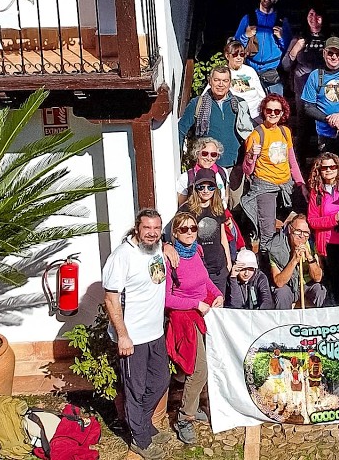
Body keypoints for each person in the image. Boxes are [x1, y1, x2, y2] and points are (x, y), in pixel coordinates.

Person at [102, 209, 172, 460]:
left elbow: (161, 246)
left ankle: (142, 424)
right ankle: (140, 440)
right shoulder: (122, 256)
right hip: (133, 338)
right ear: (136, 229)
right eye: (147, 228)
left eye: (157, 228)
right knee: (135, 388)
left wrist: (168, 246)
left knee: (161, 380)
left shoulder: (156, 246)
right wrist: (122, 335)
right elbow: (110, 298)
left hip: (155, 333)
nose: (152, 233)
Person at [164, 211, 224, 445]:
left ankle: (194, 404)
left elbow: (205, 280)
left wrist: (216, 294)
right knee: (199, 370)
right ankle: (184, 418)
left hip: (203, 313)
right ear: (175, 233)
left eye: (193, 228)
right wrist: (195, 303)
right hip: (184, 319)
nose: (189, 233)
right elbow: (166, 298)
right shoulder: (170, 259)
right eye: (183, 229)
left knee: (206, 364)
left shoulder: (197, 251)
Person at [240, 94, 306, 249]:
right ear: (263, 111)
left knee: (298, 222)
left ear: (283, 113)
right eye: (269, 110)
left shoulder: (285, 132)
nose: (273, 114)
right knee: (267, 231)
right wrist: (251, 155)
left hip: (286, 185)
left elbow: (292, 161)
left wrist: (301, 183)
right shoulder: (256, 134)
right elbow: (247, 170)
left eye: (277, 111)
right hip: (265, 185)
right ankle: (267, 266)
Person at [172, 166, 245, 294]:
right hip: (197, 267)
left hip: (218, 267)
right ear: (196, 188)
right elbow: (175, 235)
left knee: (218, 306)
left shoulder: (218, 208)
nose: (206, 190)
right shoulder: (186, 210)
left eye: (210, 187)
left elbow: (223, 236)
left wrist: (228, 262)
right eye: (201, 187)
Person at [177, 66, 253, 171]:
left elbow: (249, 134)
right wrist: (177, 159)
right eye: (217, 80)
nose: (221, 84)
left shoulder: (240, 104)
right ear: (210, 81)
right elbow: (181, 130)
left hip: (235, 165)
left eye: (225, 81)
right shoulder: (197, 104)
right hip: (207, 165)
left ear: (230, 83)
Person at [306, 153, 339, 305]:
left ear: (338, 167)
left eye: (332, 167)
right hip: (329, 242)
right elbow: (312, 221)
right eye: (324, 167)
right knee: (336, 279)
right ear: (319, 170)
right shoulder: (316, 192)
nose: (328, 170)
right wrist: (333, 219)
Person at [235, 0, 291, 94]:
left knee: (275, 106)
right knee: (247, 103)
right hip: (249, 70)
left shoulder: (282, 21)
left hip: (273, 73)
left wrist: (281, 37)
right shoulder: (248, 18)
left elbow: (289, 49)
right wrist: (246, 35)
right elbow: (236, 46)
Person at [267, 213, 328, 308]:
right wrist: (294, 260)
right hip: (289, 285)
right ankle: (285, 322)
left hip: (307, 285)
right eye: (298, 231)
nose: (302, 236)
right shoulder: (276, 248)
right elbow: (279, 282)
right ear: (290, 229)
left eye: (306, 233)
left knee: (320, 290)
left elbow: (318, 278)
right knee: (281, 293)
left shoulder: (312, 244)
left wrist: (309, 257)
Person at [282, 5, 327, 102]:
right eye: (311, 14)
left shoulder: (331, 39)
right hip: (302, 89)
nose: (314, 18)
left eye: (317, 15)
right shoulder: (299, 38)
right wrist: (294, 50)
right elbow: (285, 65)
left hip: (325, 89)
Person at [175, 137, 230, 207]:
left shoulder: (223, 172)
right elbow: (182, 206)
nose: (209, 158)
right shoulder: (186, 178)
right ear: (197, 154)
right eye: (204, 153)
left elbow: (225, 197)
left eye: (213, 154)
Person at [225, 40, 267, 122]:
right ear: (227, 56)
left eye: (242, 54)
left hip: (255, 114)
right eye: (235, 54)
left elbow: (261, 94)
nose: (239, 57)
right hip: (234, 115)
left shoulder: (250, 70)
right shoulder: (222, 72)